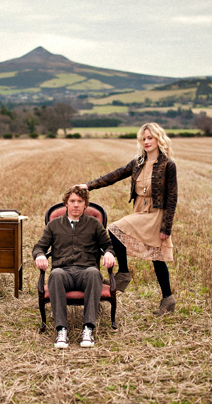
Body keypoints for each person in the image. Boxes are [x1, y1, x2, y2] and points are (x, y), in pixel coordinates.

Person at [75, 122, 178, 315]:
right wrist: (89, 185)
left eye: (150, 138)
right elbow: (115, 175)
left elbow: (172, 197)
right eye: (143, 138)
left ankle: (162, 297)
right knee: (117, 230)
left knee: (156, 256)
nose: (146, 142)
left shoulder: (168, 165)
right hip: (140, 210)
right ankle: (129, 277)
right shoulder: (138, 162)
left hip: (156, 214)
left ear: (158, 139)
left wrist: (167, 227)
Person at [33, 187, 115, 349]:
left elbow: (108, 245)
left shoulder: (94, 224)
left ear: (85, 205)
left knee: (93, 273)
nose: (76, 205)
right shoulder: (54, 225)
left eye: (80, 201)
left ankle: (88, 328)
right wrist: (40, 256)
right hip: (63, 272)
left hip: (86, 271)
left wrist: (109, 253)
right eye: (72, 201)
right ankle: (61, 330)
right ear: (66, 204)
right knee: (55, 274)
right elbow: (39, 247)